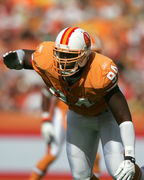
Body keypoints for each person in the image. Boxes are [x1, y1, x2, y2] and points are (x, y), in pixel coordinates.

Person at [3, 27, 144, 180]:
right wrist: (16, 57)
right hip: (78, 117)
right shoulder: (47, 58)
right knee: (81, 176)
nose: (62, 62)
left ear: (85, 57)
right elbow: (26, 57)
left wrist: (130, 156)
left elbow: (123, 117)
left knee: (119, 171)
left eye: (69, 56)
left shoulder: (101, 72)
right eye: (60, 55)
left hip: (106, 116)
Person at [29, 34, 102, 180]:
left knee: (94, 157)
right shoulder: (64, 69)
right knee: (53, 153)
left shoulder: (99, 73)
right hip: (64, 114)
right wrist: (46, 119)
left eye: (97, 54)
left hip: (83, 116)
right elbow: (47, 92)